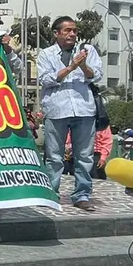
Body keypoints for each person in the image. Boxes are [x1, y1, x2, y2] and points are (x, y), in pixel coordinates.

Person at [37, 15, 102, 211]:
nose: (72, 34)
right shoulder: (46, 54)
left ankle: (82, 195)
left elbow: (97, 75)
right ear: (56, 33)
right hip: (57, 109)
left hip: (84, 108)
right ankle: (51, 193)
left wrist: (83, 66)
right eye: (67, 30)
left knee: (84, 156)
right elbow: (45, 79)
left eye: (74, 30)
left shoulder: (87, 50)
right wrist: (71, 67)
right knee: (54, 156)